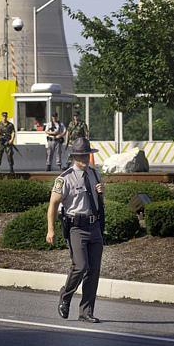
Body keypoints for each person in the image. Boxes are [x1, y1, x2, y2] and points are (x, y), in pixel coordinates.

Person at [46, 137, 105, 323]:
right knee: (80, 266)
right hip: (76, 227)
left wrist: (101, 191)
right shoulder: (64, 178)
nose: (85, 159)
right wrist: (51, 230)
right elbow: (53, 204)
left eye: (87, 155)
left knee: (94, 270)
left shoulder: (94, 174)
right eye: (81, 155)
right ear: (74, 156)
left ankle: (86, 312)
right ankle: (66, 295)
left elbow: (97, 201)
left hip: (94, 225)